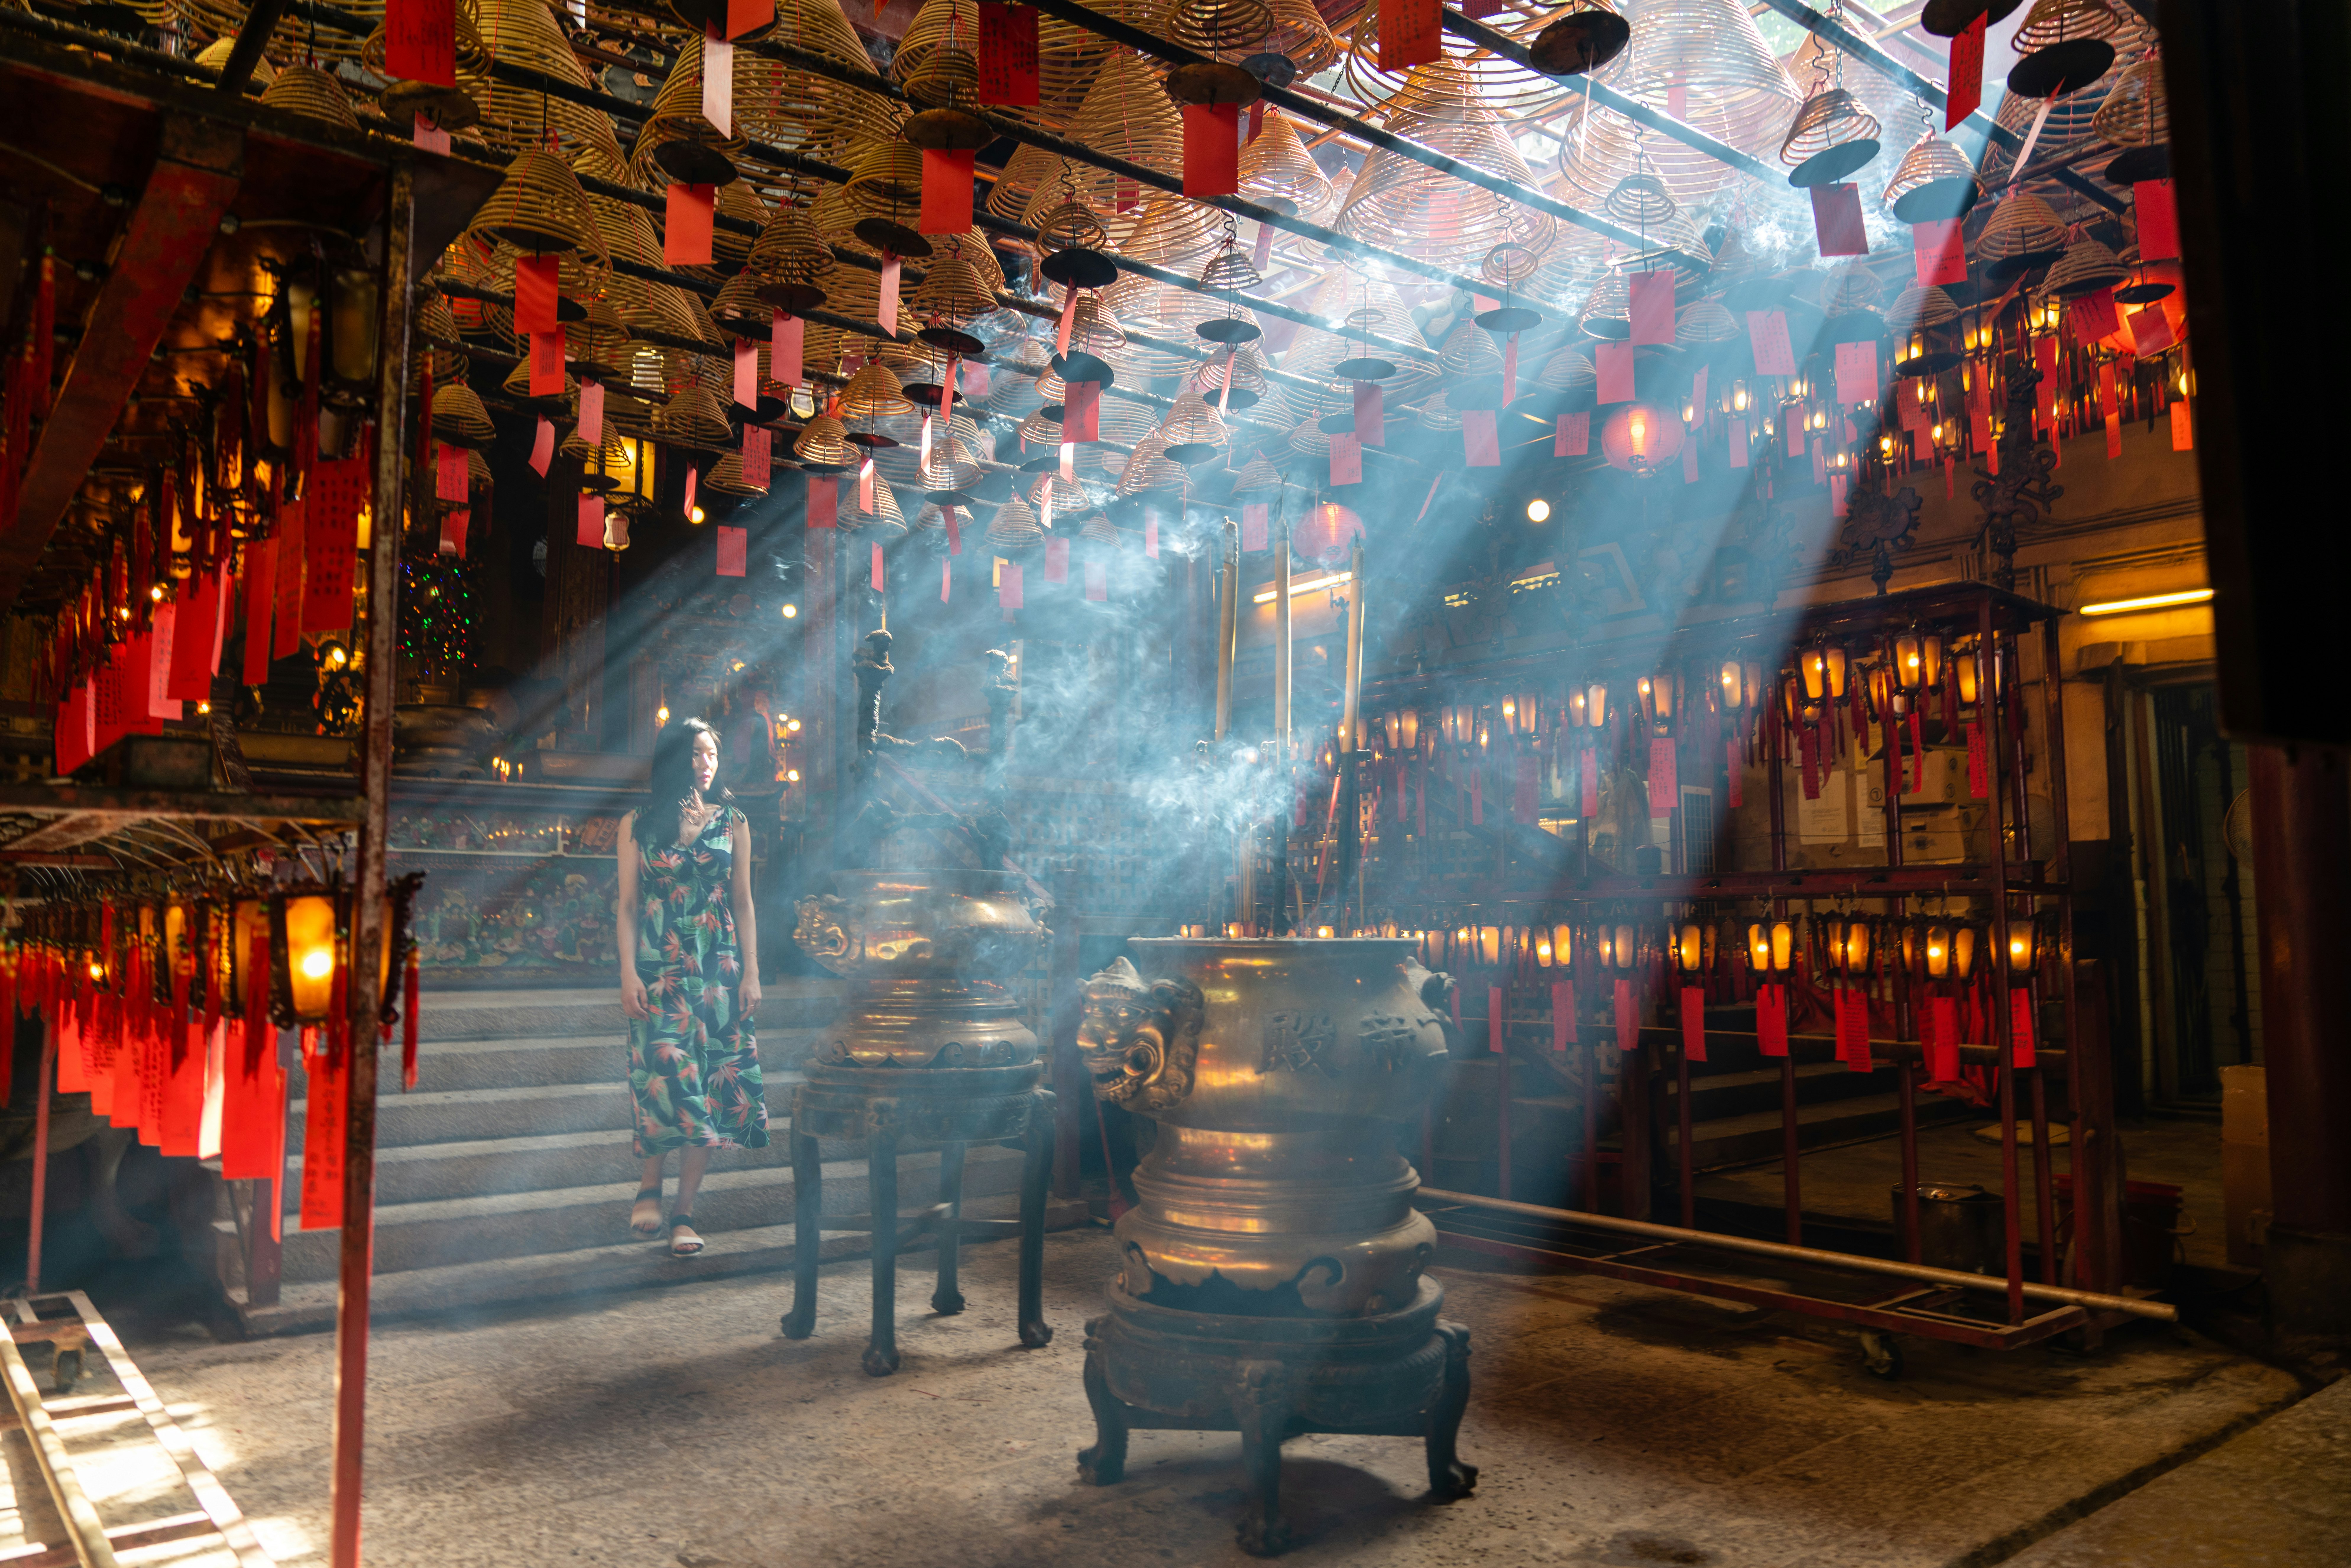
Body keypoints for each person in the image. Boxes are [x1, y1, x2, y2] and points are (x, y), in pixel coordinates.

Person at [616, 716, 766, 1256]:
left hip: (717, 966)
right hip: (658, 965)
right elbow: (629, 905)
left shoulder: (734, 820)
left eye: (712, 755)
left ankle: (684, 1212)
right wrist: (628, 972)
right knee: (663, 1071)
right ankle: (649, 1185)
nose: (706, 764)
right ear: (675, 758)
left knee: (706, 1084)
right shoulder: (638, 821)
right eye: (697, 754)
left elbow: (744, 901)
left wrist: (752, 970)